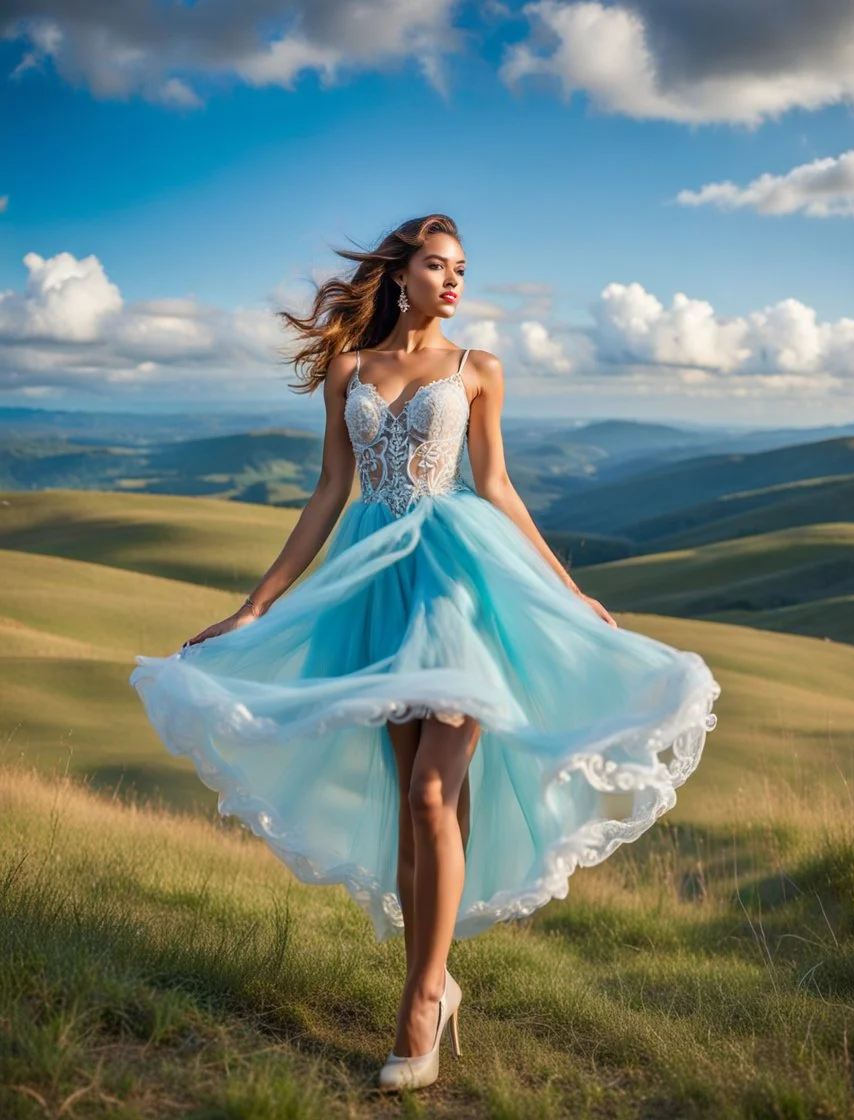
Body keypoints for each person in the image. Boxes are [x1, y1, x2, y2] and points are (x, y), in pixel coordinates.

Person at [130, 212, 721, 1092]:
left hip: (455, 582)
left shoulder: (477, 369)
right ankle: (438, 984)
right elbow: (332, 491)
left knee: (433, 789)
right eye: (437, 266)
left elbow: (496, 486)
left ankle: (416, 1006)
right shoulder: (349, 370)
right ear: (399, 274)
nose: (453, 281)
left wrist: (565, 589)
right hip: (371, 589)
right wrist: (256, 606)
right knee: (419, 810)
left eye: (461, 269)